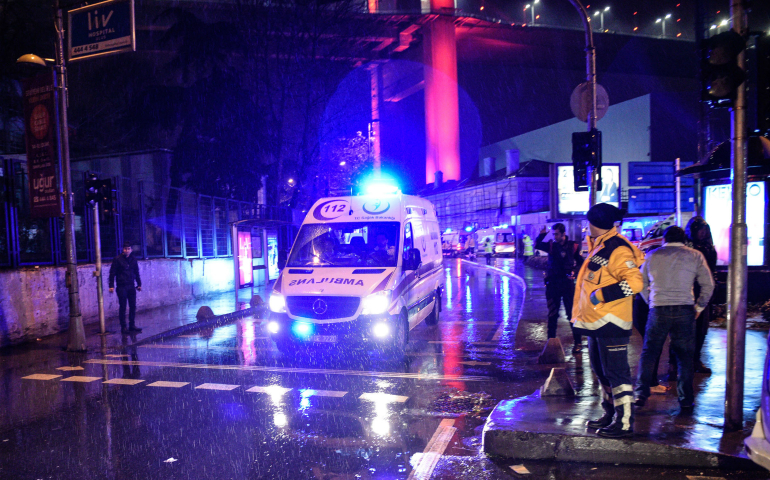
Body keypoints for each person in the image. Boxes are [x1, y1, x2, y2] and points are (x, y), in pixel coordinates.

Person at [572, 203, 644, 438]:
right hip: (597, 323)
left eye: (588, 223)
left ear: (595, 224)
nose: (586, 228)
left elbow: (635, 283)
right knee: (602, 371)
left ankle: (624, 422)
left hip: (611, 322)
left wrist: (600, 295)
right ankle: (610, 412)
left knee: (617, 373)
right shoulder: (601, 246)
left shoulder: (617, 249)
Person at [634, 226, 714, 412]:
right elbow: (708, 285)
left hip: (658, 309)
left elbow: (640, 283)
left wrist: (650, 301)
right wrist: (699, 307)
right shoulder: (695, 255)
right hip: (685, 309)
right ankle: (685, 400)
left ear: (664, 239)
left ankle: (641, 393)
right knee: (685, 357)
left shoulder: (652, 255)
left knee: (649, 352)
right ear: (684, 239)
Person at [536, 223, 584, 353]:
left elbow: (581, 263)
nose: (555, 236)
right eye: (553, 234)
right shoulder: (552, 245)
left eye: (556, 234)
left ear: (563, 234)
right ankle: (550, 343)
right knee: (552, 314)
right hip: (553, 284)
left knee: (571, 315)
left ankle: (578, 343)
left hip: (567, 285)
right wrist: (542, 234)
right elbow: (538, 245)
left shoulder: (573, 246)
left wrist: (574, 271)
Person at [109, 242, 143, 334]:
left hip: (131, 286)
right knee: (123, 307)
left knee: (133, 306)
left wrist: (139, 284)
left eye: (128, 249)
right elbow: (112, 273)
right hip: (121, 286)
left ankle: (132, 325)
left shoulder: (133, 259)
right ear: (123, 250)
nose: (127, 250)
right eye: (125, 249)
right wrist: (111, 285)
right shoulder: (117, 259)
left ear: (131, 250)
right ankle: (123, 327)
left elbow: (136, 272)